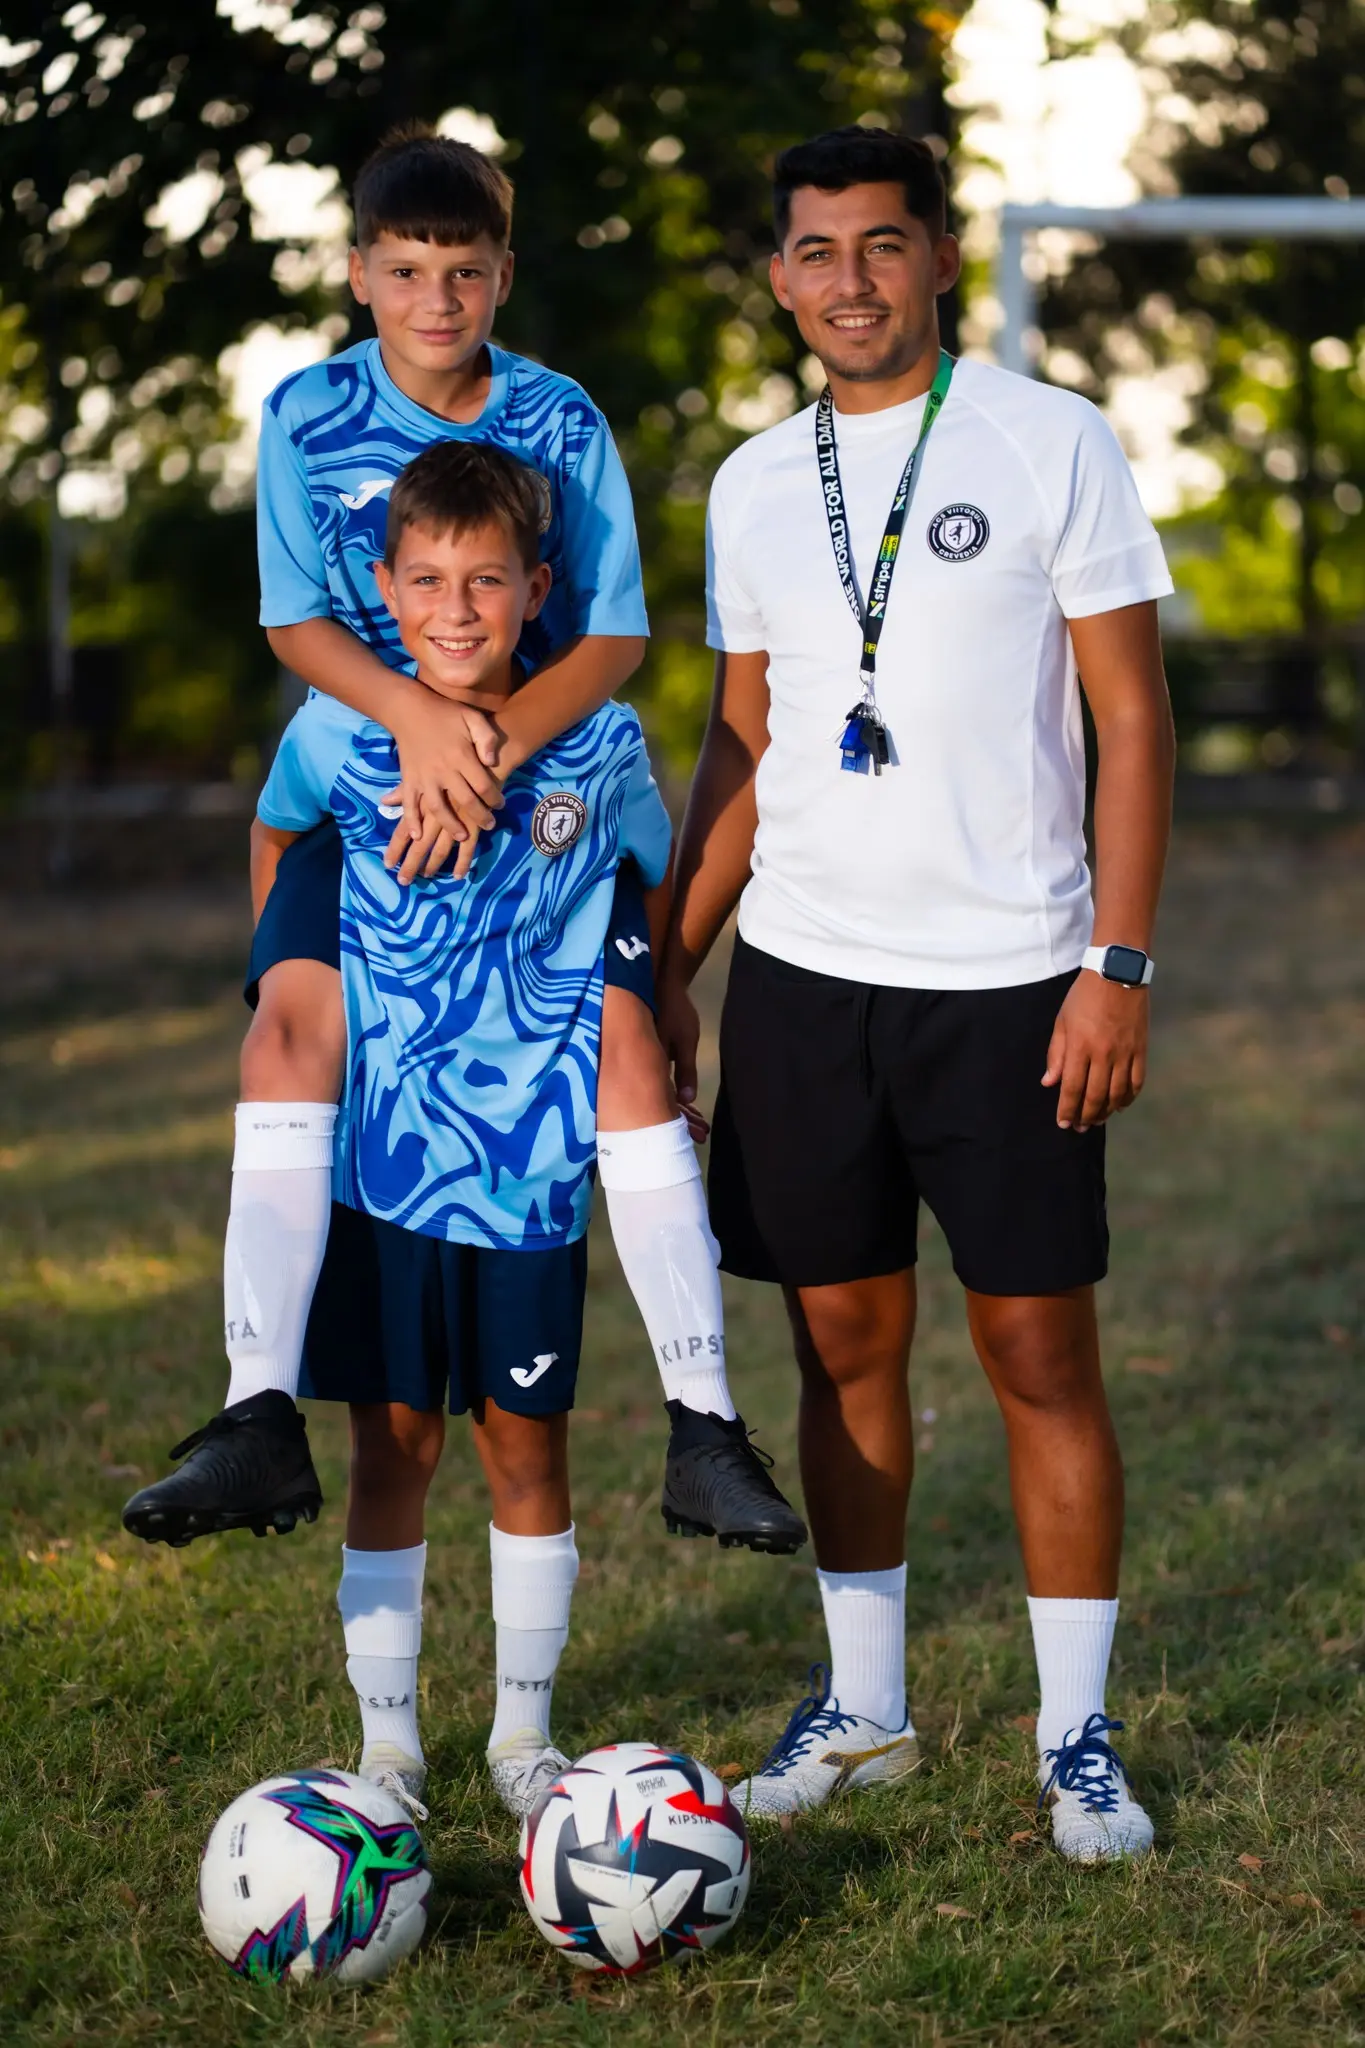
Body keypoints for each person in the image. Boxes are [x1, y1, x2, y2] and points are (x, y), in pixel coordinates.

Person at [121, 126, 804, 1562]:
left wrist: (483, 747)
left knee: (627, 1055)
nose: (437, 300)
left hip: (544, 782)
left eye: (466, 272)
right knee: (287, 1033)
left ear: (503, 272)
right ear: (359, 273)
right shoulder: (307, 411)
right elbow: (296, 620)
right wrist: (415, 727)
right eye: (407, 271)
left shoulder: (560, 417)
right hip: (363, 770)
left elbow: (611, 632)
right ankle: (254, 1408)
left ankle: (704, 1424)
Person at [659, 126, 1176, 1863]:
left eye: (883, 244)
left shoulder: (1051, 439)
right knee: (840, 1344)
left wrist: (1117, 964)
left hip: (1014, 983)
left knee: (1037, 1350)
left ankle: (1077, 1736)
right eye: (816, 251)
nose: (850, 281)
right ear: (780, 276)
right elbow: (741, 741)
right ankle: (865, 1711)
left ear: (942, 257)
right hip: (809, 983)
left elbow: (1131, 718)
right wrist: (668, 970)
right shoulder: (752, 483)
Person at [246, 440, 676, 1818]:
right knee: (393, 1446)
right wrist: (290, 978)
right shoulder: (336, 731)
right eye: (426, 580)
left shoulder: (599, 744)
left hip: (532, 1166)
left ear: (537, 590)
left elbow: (651, 879)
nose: (455, 607)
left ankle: (521, 1739)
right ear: (383, 588)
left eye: (486, 580)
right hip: (380, 1164)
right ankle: (390, 1748)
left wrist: (659, 1015)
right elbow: (279, 841)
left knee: (523, 1443)